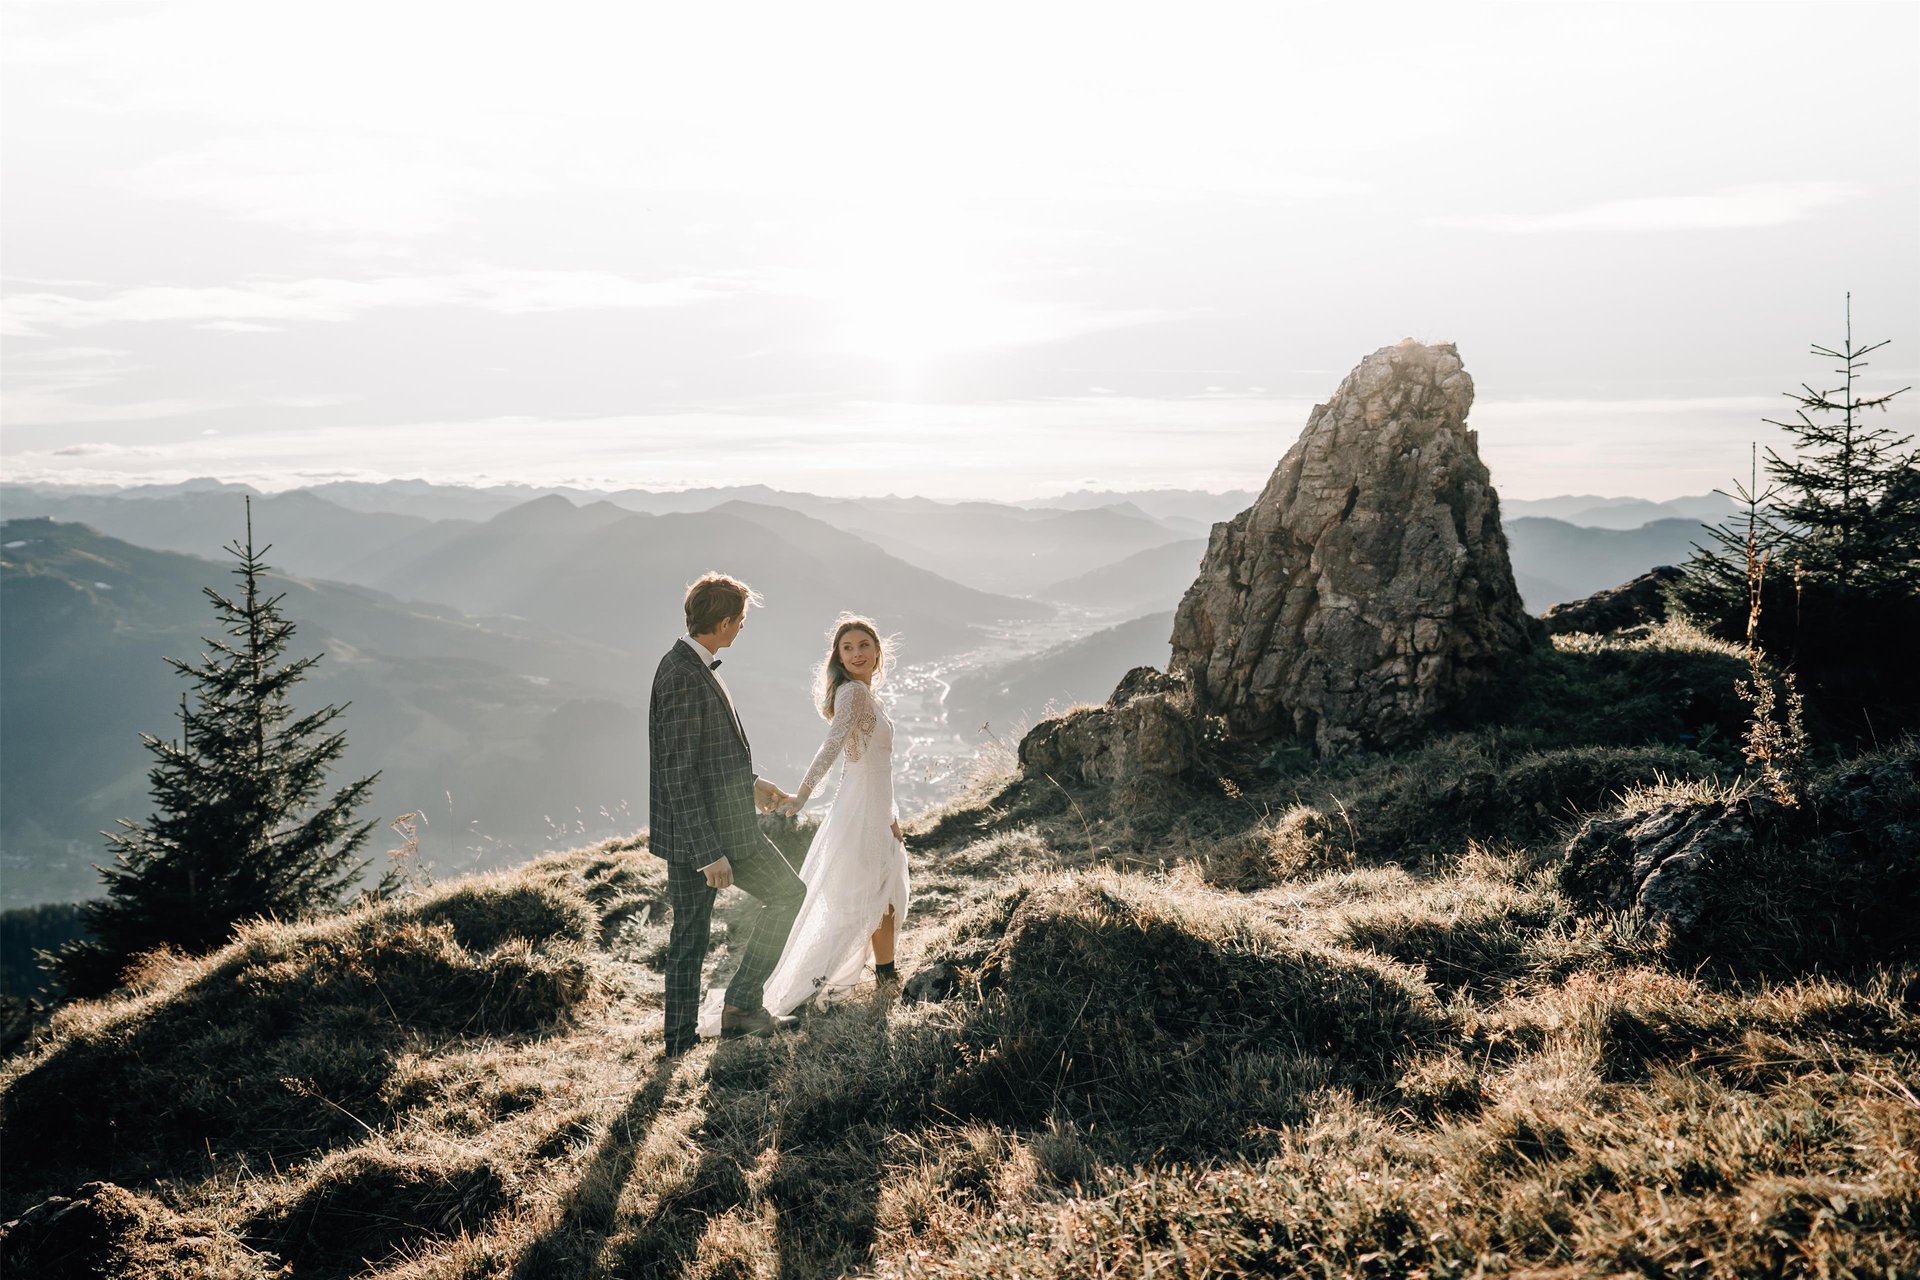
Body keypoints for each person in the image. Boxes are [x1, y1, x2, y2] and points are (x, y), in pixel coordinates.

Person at [648, 572, 807, 1058]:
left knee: (786, 896)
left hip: (732, 824)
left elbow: (707, 757)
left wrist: (752, 784)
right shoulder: (680, 675)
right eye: (740, 621)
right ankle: (678, 1045)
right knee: (692, 938)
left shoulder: (693, 665)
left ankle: (739, 1005)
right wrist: (708, 853)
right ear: (721, 622)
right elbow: (678, 775)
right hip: (707, 840)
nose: (742, 628)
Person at [745, 616, 910, 1021]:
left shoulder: (869, 696)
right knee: (862, 898)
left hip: (876, 806)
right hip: (859, 809)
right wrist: (803, 794)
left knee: (884, 894)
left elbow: (879, 765)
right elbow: (832, 747)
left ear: (877, 651)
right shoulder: (852, 694)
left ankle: (887, 976)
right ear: (838, 657)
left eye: (863, 645)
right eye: (847, 648)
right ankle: (812, 982)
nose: (856, 653)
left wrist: (891, 815)